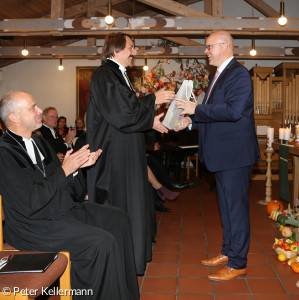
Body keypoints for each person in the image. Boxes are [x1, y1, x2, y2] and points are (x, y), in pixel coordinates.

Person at [0, 91, 140, 300]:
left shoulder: (39, 143)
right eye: (33, 108)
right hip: (32, 226)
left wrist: (77, 168)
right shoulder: (5, 152)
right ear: (14, 117)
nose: (40, 110)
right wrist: (66, 170)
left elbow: (72, 192)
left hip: (60, 210)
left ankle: (124, 295)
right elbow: (30, 203)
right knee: (100, 242)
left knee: (118, 219)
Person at [86, 32, 176, 275]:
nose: (134, 52)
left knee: (134, 201)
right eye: (131, 47)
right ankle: (119, 260)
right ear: (115, 49)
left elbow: (129, 113)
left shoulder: (119, 75)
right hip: (114, 158)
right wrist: (152, 100)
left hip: (125, 151)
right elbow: (121, 113)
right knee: (120, 204)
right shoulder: (104, 74)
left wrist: (151, 122)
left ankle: (131, 256)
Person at [176, 31, 261, 281]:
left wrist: (196, 109)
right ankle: (228, 251)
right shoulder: (218, 75)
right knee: (226, 208)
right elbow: (214, 116)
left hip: (234, 155)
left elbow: (233, 111)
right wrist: (190, 124)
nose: (206, 51)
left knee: (236, 209)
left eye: (209, 47)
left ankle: (238, 263)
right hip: (223, 155)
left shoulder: (239, 74)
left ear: (224, 46)